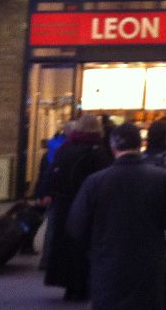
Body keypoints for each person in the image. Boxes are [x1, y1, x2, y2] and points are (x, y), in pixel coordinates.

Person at [67, 122, 166, 310]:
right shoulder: (162, 178)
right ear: (140, 145)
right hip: (148, 263)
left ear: (113, 146)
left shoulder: (95, 182)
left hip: (108, 263)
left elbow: (76, 226)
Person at [44, 114, 112, 302]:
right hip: (86, 205)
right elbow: (103, 179)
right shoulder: (97, 150)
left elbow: (52, 173)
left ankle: (67, 285)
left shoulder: (66, 147)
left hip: (63, 203)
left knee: (65, 245)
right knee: (84, 247)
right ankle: (82, 285)